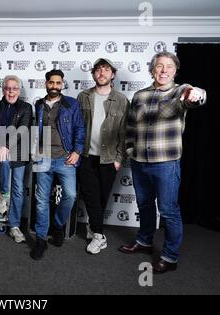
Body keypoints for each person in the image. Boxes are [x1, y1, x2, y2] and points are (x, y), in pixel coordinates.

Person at [118, 52, 207, 273]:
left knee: (168, 211)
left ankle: (170, 257)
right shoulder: (139, 96)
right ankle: (144, 242)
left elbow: (196, 97)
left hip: (166, 163)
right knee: (145, 206)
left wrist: (196, 95)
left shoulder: (180, 90)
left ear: (175, 71)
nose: (164, 70)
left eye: (169, 66)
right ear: (152, 70)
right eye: (159, 66)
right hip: (139, 161)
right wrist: (130, 149)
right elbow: (129, 126)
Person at [30, 69, 85, 260]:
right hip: (42, 158)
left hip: (65, 157)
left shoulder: (71, 104)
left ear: (62, 84)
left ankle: (58, 224)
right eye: (51, 83)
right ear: (46, 83)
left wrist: (77, 151)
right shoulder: (38, 104)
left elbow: (79, 128)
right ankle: (41, 240)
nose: (55, 86)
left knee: (70, 195)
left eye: (58, 83)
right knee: (41, 201)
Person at [77, 58, 130, 254]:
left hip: (108, 158)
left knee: (101, 198)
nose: (102, 73)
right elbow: (77, 127)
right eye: (98, 70)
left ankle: (93, 227)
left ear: (113, 75)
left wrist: (119, 158)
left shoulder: (122, 100)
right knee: (90, 196)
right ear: (93, 74)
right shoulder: (83, 96)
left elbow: (125, 132)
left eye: (106, 70)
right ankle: (99, 236)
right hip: (86, 156)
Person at [0, 75, 32, 243]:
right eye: (8, 88)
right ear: (3, 90)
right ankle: (1, 211)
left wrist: (7, 146)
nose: (11, 92)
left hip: (18, 151)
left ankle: (14, 225)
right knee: (2, 165)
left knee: (17, 188)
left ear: (19, 90)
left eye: (15, 88)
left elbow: (22, 129)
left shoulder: (26, 107)